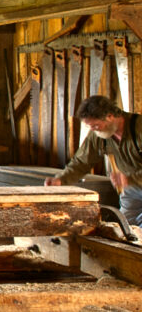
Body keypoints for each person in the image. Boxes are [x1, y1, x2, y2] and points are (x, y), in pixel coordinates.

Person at [44, 95, 142, 225]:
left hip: (132, 182)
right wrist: (61, 179)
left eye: (95, 125)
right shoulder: (101, 134)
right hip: (129, 190)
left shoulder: (139, 128)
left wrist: (130, 179)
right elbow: (82, 162)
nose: (93, 129)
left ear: (110, 116)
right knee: (126, 229)